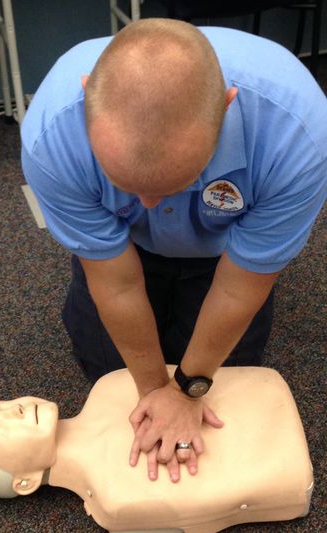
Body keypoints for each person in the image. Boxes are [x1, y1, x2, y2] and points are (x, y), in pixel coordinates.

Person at [21, 19, 327, 483]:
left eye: (174, 183)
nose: (146, 204)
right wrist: (152, 388)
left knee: (230, 377)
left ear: (227, 108)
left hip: (224, 249)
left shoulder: (299, 136)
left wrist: (187, 390)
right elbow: (116, 281)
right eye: (127, 184)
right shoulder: (52, 135)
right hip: (124, 245)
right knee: (111, 376)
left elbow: (239, 287)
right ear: (87, 97)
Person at [0, 367, 314, 533]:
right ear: (24, 482)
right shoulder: (115, 500)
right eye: (3, 426)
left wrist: (183, 398)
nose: (17, 408)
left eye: (4, 404)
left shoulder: (108, 385)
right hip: (279, 467)